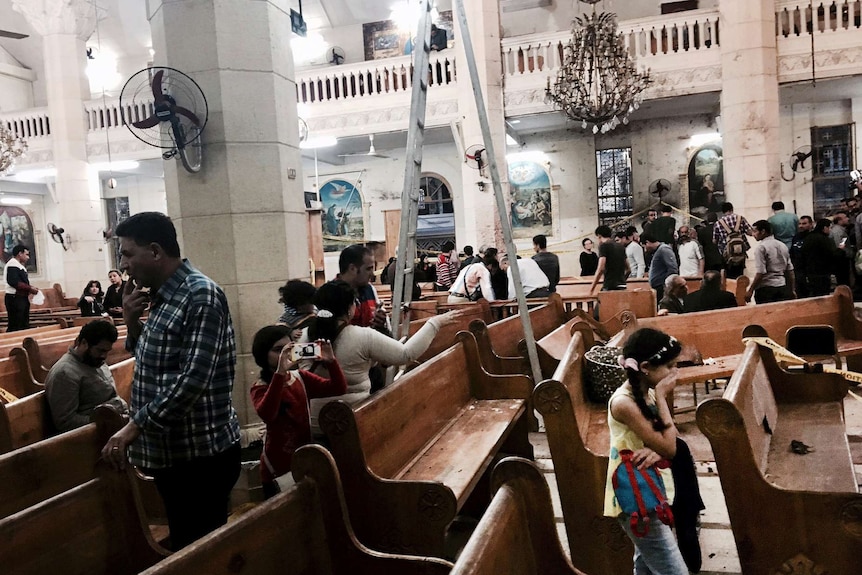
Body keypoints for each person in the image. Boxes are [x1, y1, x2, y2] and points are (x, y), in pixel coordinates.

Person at [100, 212, 241, 551]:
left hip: (200, 458)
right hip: (175, 455)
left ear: (155, 251)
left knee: (200, 553)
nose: (124, 264)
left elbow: (192, 379)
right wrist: (132, 323)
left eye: (128, 253)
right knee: (186, 545)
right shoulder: (163, 296)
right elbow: (157, 358)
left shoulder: (200, 294)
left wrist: (133, 426)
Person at [307, 280, 460, 433]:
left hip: (314, 425)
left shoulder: (304, 337)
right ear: (349, 309)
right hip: (353, 425)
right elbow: (405, 354)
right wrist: (435, 323)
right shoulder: (362, 337)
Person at [604, 328, 689, 575]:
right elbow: (671, 446)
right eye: (670, 366)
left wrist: (659, 450)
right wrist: (662, 399)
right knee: (673, 570)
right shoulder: (624, 403)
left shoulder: (645, 392)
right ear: (645, 367)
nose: (675, 372)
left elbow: (670, 441)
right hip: (636, 497)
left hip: (650, 488)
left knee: (647, 564)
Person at [250, 325, 346, 498]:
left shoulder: (300, 377)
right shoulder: (260, 387)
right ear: (263, 355)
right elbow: (267, 414)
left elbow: (338, 387)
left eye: (289, 348)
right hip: (276, 468)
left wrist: (331, 362)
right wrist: (280, 372)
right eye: (278, 350)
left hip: (304, 460)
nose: (285, 355)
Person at [45, 320, 123, 433]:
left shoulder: (94, 361)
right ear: (84, 343)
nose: (104, 356)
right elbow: (65, 422)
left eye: (107, 351)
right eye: (100, 350)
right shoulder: (64, 373)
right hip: (95, 437)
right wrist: (107, 422)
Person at [337, 244, 388, 333]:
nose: (372, 274)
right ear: (352, 268)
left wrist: (380, 322)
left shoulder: (370, 290)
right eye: (368, 269)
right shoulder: (331, 294)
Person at [746, 220, 795, 304]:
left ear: (763, 231)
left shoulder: (761, 248)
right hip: (782, 287)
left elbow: (760, 272)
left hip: (766, 289)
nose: (753, 234)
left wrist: (750, 290)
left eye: (755, 231)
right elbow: (790, 271)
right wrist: (792, 289)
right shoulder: (782, 245)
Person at [713, 202, 754, 279]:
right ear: (732, 209)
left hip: (727, 254)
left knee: (729, 277)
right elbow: (750, 232)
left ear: (723, 211)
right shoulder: (740, 218)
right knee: (740, 276)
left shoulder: (718, 223)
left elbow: (715, 240)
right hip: (740, 253)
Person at [3, 244, 39, 331]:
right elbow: (13, 282)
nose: (28, 257)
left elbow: (21, 282)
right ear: (20, 254)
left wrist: (30, 287)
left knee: (23, 324)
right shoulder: (12, 264)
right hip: (15, 298)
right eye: (26, 255)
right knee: (16, 325)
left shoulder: (18, 265)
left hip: (20, 298)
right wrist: (30, 288)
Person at [801, 218, 839, 297]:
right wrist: (840, 250)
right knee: (824, 295)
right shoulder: (824, 239)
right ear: (825, 228)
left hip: (810, 272)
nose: (830, 230)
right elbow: (832, 254)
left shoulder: (808, 237)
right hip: (823, 273)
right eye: (829, 228)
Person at [589, 226, 628, 294]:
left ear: (599, 235)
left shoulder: (604, 246)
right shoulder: (620, 247)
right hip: (622, 286)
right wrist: (622, 280)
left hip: (610, 286)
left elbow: (601, 268)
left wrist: (591, 289)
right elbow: (629, 269)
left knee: (601, 304)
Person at [643, 232, 679, 303]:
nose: (645, 250)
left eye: (644, 246)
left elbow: (673, 268)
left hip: (662, 287)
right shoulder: (658, 251)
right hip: (658, 287)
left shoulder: (664, 249)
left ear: (647, 242)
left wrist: (665, 285)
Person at [790, 215, 813, 298]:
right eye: (800, 224)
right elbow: (792, 253)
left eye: (804, 223)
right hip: (798, 271)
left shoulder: (813, 237)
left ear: (811, 224)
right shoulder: (796, 237)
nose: (801, 226)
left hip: (811, 271)